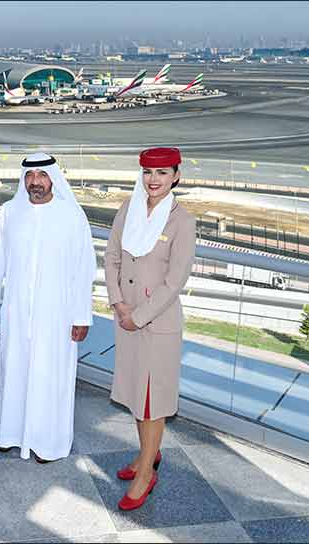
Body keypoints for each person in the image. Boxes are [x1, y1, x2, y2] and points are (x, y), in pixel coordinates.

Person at [0, 152, 96, 463]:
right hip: (16, 310)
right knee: (14, 371)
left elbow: (85, 269)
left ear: (53, 179)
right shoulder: (10, 212)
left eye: (42, 175)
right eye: (30, 176)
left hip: (57, 314)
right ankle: (10, 434)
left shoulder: (72, 215)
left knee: (50, 376)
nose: (35, 182)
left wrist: (81, 315)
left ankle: (48, 443)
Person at [104, 147, 196, 510]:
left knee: (151, 401)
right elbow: (112, 257)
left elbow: (175, 282)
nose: (153, 180)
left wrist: (138, 316)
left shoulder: (182, 221)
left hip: (156, 324)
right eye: (147, 172)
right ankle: (147, 454)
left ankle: (145, 473)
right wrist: (118, 303)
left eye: (162, 173)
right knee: (134, 394)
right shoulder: (128, 209)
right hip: (126, 317)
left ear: (176, 176)